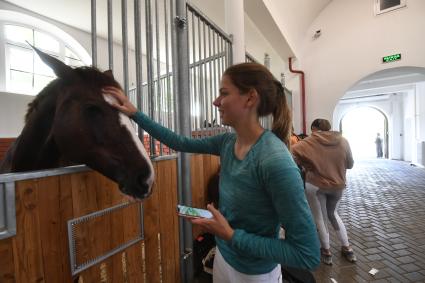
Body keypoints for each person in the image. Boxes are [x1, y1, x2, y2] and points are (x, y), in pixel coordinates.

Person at [103, 62, 320, 282]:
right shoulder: (227, 142)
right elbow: (179, 142)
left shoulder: (275, 161)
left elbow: (307, 254)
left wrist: (231, 235)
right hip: (223, 261)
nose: (216, 101)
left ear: (250, 98)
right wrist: (135, 113)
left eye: (224, 93)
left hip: (256, 275)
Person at [291, 118, 356, 266]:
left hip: (316, 186)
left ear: (314, 129)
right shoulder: (343, 141)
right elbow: (350, 164)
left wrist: (306, 164)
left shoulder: (309, 141)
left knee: (319, 218)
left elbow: (291, 152)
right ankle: (347, 248)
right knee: (333, 214)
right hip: (338, 186)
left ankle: (326, 251)